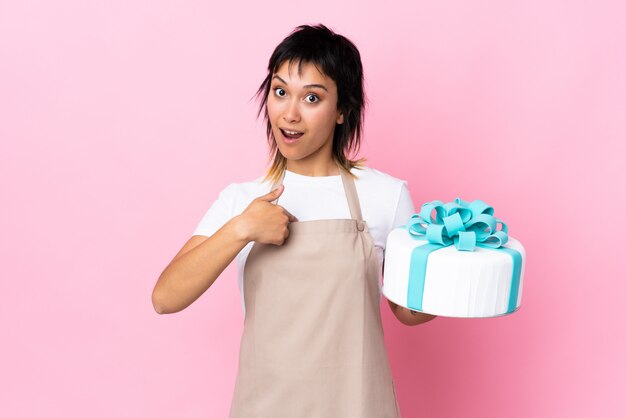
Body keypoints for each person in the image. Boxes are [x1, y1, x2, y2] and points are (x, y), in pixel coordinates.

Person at [152, 23, 437, 418]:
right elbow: (165, 298)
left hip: (357, 406)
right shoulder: (241, 200)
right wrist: (242, 229)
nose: (289, 113)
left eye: (312, 98)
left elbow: (409, 313)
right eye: (280, 91)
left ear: (342, 111)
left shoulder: (385, 196)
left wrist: (450, 268)